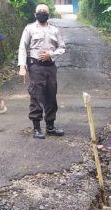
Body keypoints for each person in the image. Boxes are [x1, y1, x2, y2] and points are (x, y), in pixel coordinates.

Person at [17, 4, 66, 139]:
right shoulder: (29, 28)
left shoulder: (55, 30)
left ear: (49, 14)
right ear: (35, 14)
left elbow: (62, 47)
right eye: (39, 11)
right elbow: (22, 47)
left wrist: (51, 54)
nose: (42, 13)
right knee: (37, 95)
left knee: (51, 95)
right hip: (35, 66)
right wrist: (22, 66)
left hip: (50, 66)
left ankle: (50, 127)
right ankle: (37, 128)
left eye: (44, 11)